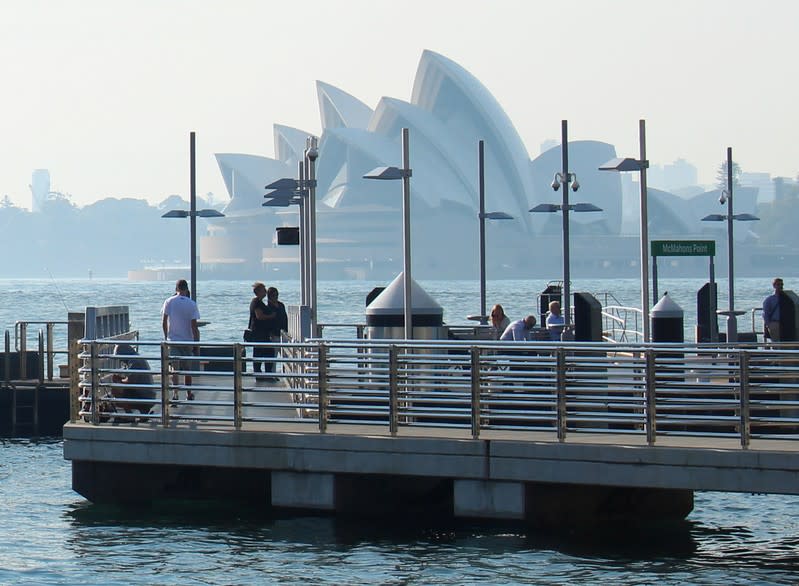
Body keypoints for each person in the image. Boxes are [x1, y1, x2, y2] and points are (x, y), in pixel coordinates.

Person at [161, 279, 200, 400]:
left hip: (173, 340)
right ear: (187, 289)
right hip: (187, 341)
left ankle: (175, 394)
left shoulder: (169, 301)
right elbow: (194, 326)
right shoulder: (192, 304)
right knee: (188, 369)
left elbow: (164, 322)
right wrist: (196, 344)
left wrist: (166, 337)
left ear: (176, 289)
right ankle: (188, 393)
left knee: (174, 369)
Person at [108, 343, 157, 415]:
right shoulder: (137, 358)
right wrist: (121, 379)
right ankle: (143, 411)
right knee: (119, 385)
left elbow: (130, 381)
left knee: (115, 390)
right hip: (148, 395)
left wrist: (119, 381)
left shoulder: (134, 362)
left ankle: (129, 415)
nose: (120, 360)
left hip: (145, 397)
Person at [249, 282, 277, 373]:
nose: (265, 292)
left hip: (263, 333)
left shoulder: (260, 302)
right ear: (258, 292)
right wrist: (271, 316)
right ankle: (259, 373)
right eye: (263, 290)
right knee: (262, 352)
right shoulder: (256, 302)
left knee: (266, 352)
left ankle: (266, 373)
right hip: (259, 333)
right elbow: (259, 316)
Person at [763, 277, 785, 342]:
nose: (780, 286)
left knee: (786, 343)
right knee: (776, 343)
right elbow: (765, 314)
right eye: (778, 284)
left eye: (781, 284)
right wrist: (769, 325)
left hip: (785, 323)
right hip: (774, 323)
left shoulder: (786, 298)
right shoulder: (769, 299)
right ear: (774, 286)